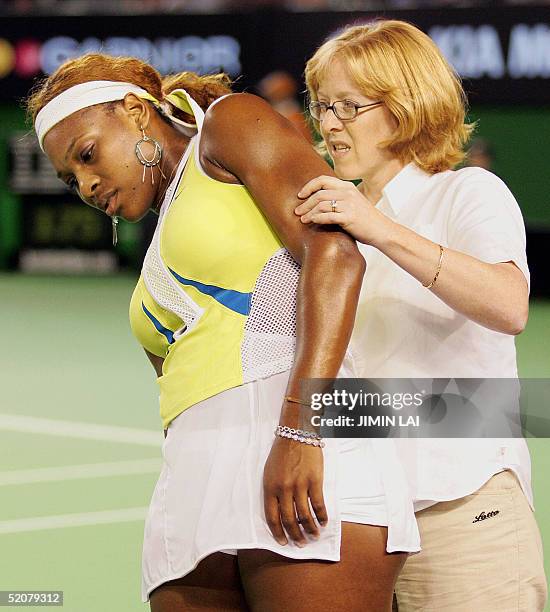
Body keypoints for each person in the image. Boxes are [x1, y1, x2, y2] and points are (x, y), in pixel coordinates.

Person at [26, 54, 413, 612]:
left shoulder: (229, 125)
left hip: (298, 445)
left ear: (136, 112)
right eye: (70, 178)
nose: (85, 184)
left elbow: (334, 252)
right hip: (193, 486)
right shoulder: (160, 245)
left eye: (87, 155)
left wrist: (301, 433)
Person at [297, 19, 547, 611]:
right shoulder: (332, 219)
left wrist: (377, 228)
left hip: (463, 516)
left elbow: (509, 306)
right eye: (322, 105)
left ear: (405, 105)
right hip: (363, 530)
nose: (328, 123)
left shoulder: (467, 193)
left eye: (348, 106)